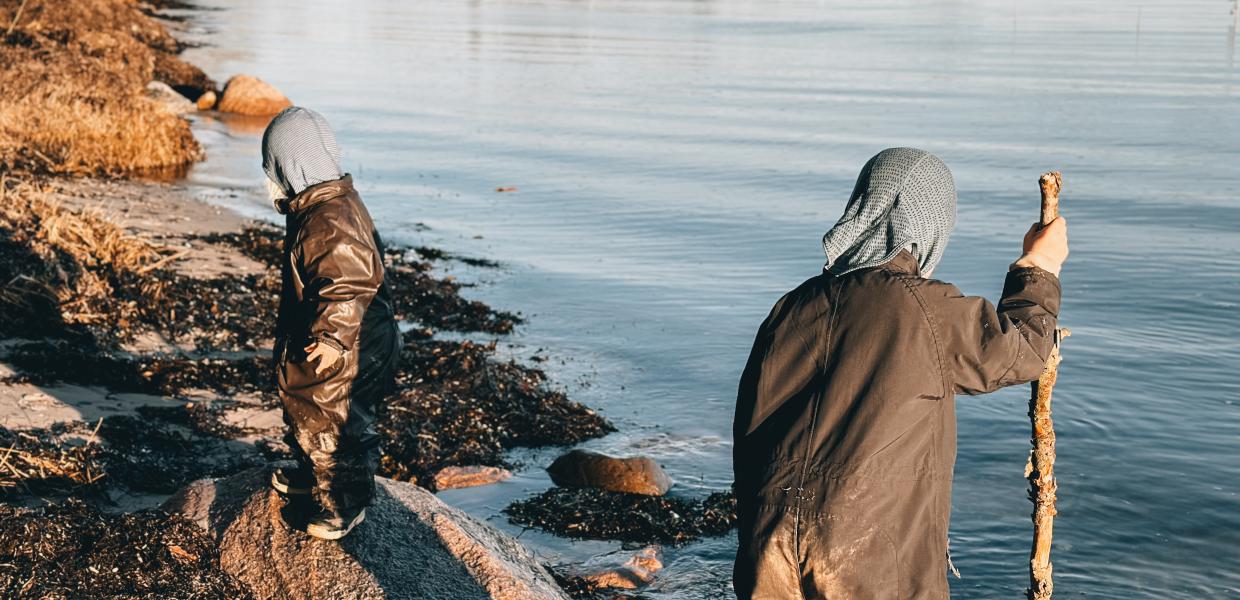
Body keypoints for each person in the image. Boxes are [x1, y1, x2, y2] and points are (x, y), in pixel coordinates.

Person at [732, 148, 1068, 598]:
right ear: (929, 227)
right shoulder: (927, 308)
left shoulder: (791, 307)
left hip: (767, 542)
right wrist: (1039, 267)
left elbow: (749, 428)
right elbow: (1025, 350)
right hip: (865, 559)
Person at [261, 107, 400, 540]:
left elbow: (350, 279)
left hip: (350, 341)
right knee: (307, 407)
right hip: (344, 336)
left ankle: (344, 501)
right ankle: (313, 475)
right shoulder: (321, 205)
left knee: (334, 420)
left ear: (289, 166)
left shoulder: (330, 216)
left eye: (273, 169)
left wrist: (332, 336)